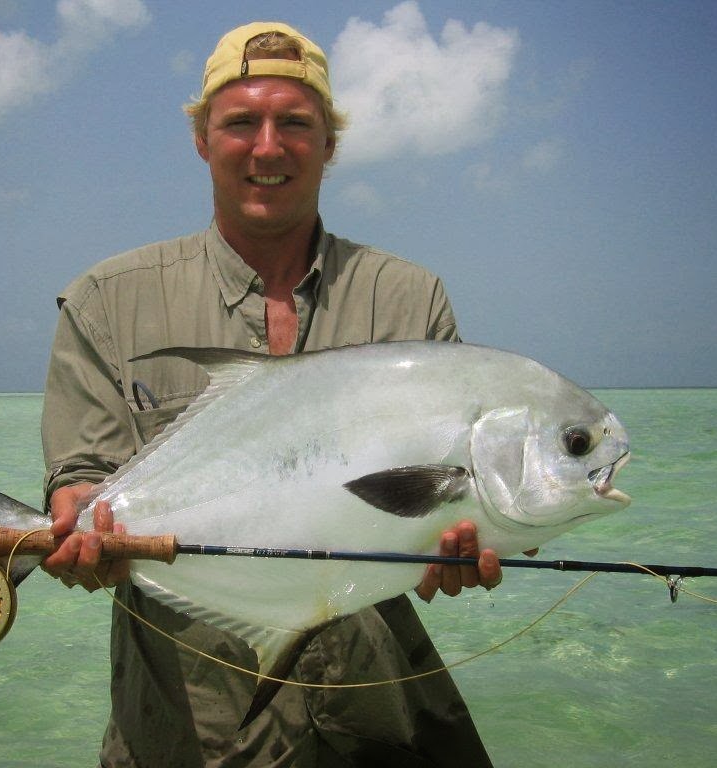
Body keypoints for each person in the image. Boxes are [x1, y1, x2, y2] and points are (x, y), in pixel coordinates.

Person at [41, 21, 502, 767]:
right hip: (187, 732)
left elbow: (446, 509)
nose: (267, 146)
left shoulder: (409, 301)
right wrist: (80, 517)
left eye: (295, 122)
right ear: (202, 140)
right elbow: (81, 475)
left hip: (382, 723)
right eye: (240, 122)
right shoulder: (107, 302)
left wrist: (464, 541)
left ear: (328, 144)